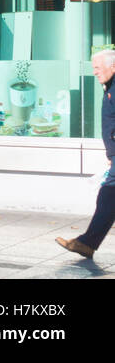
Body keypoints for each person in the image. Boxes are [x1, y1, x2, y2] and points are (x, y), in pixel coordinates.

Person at [57, 48, 115, 259]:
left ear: (113, 67)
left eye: (98, 68)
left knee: (108, 195)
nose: (95, 72)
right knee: (107, 197)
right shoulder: (110, 87)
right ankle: (87, 243)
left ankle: (87, 243)